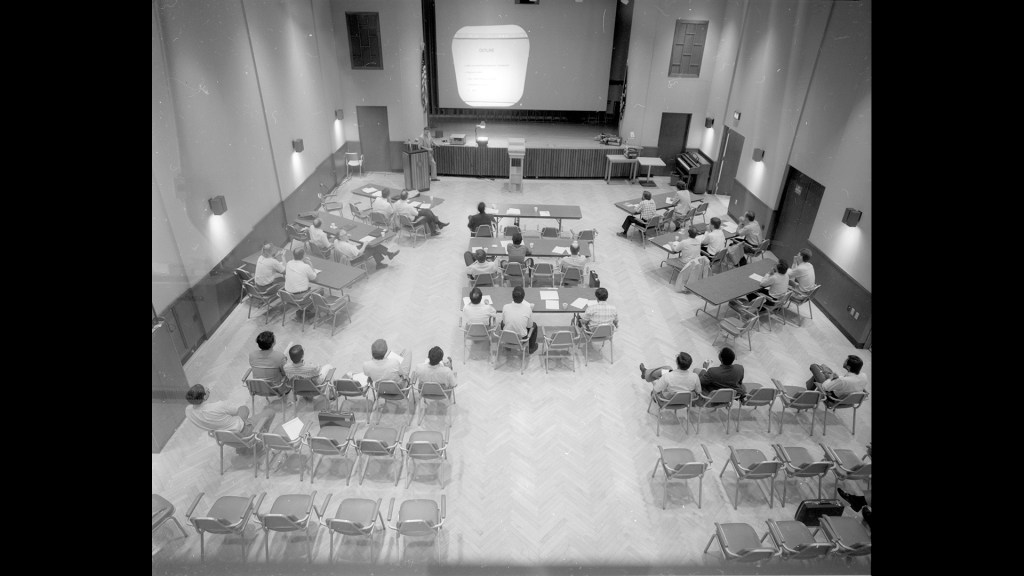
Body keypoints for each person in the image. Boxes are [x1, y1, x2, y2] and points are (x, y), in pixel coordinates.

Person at [185, 384, 275, 453]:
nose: (208, 389)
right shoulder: (218, 406)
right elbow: (235, 411)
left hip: (227, 439)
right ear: (204, 397)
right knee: (270, 412)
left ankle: (243, 449)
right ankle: (260, 441)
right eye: (207, 389)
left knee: (243, 409)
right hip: (245, 434)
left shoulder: (188, 411)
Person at [333, 228, 399, 270]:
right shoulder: (347, 246)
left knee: (372, 246)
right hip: (356, 258)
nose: (347, 235)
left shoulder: (336, 241)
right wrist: (364, 244)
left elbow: (346, 243)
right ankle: (386, 257)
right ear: (340, 237)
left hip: (351, 253)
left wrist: (347, 238)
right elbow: (359, 253)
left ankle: (387, 256)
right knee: (374, 247)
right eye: (345, 235)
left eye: (346, 233)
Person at [500, 286, 539, 354]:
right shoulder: (528, 309)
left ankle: (507, 346)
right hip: (521, 340)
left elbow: (504, 322)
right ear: (523, 297)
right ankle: (531, 348)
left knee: (502, 322)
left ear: (512, 296)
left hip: (507, 337)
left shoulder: (505, 307)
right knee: (534, 325)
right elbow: (529, 326)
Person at [284, 247, 320, 320]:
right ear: (303, 255)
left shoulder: (289, 263)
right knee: (320, 291)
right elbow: (314, 278)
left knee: (308, 288)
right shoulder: (305, 267)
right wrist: (310, 264)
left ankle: (302, 310)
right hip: (300, 298)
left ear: (293, 255)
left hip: (288, 297)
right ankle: (308, 312)